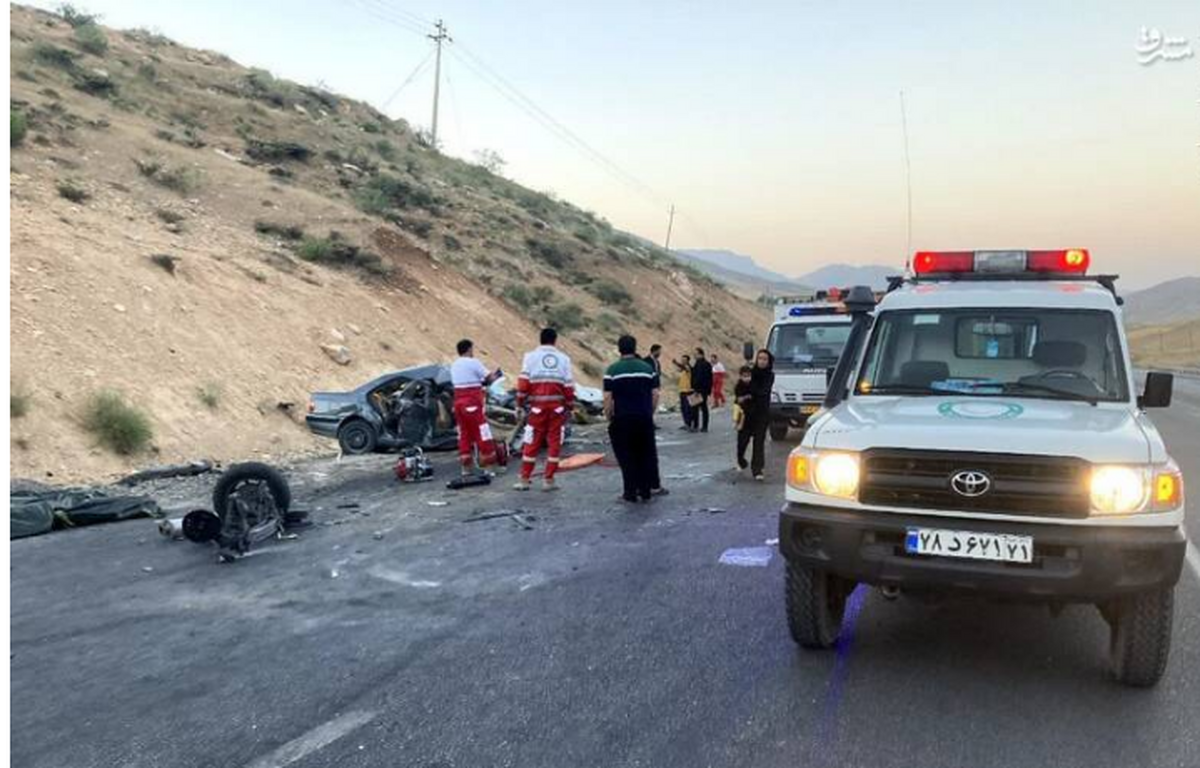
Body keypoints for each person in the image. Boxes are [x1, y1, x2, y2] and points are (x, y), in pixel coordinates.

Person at [603, 335, 664, 503]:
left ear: (619, 348)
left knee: (626, 455)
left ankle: (630, 492)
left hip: (622, 418)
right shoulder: (647, 369)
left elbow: (608, 397)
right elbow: (656, 393)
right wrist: (649, 412)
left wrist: (609, 416)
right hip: (644, 418)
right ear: (635, 347)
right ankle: (645, 491)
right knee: (645, 453)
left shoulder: (612, 370)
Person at [514, 327, 575, 491]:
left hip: (536, 410)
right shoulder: (564, 359)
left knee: (531, 441)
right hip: (557, 410)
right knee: (554, 443)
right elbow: (568, 387)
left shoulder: (530, 357)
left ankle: (525, 479)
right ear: (555, 340)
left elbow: (523, 384)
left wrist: (519, 404)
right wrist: (570, 406)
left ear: (540, 339)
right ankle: (549, 480)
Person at [450, 339, 503, 476]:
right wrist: (496, 375)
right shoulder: (474, 363)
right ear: (468, 349)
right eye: (472, 349)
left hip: (458, 405)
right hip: (472, 404)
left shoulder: (454, 365)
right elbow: (489, 378)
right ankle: (490, 466)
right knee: (482, 432)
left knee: (464, 435)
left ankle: (466, 468)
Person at [736, 349, 775, 480]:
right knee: (742, 442)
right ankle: (741, 459)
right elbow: (739, 387)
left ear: (769, 362)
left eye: (765, 359)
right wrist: (740, 398)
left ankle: (757, 470)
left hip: (762, 414)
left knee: (759, 443)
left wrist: (749, 393)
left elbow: (763, 391)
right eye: (760, 358)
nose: (762, 361)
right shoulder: (750, 373)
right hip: (747, 414)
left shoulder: (770, 375)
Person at [690, 348, 713, 433]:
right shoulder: (703, 364)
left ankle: (697, 426)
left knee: (697, 408)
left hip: (700, 389)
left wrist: (695, 388)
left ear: (701, 354)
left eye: (696, 354)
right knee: (702, 408)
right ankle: (703, 426)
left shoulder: (701, 364)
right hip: (703, 389)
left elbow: (699, 377)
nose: (694, 356)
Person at [672, 354, 694, 430]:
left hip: (688, 391)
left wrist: (676, 363)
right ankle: (686, 424)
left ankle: (689, 424)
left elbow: (684, 367)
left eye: (684, 360)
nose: (683, 361)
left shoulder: (689, 368)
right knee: (683, 408)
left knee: (688, 409)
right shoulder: (683, 370)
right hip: (682, 390)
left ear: (688, 361)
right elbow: (681, 369)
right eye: (682, 360)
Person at [731, 364, 752, 434]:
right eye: (745, 376)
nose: (747, 378)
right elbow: (739, 398)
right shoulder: (739, 386)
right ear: (740, 376)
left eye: (749, 376)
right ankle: (736, 422)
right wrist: (746, 397)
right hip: (741, 406)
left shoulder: (753, 385)